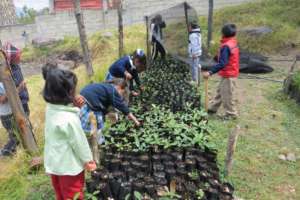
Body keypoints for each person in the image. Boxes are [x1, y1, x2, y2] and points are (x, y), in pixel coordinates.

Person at [42, 67, 96, 200]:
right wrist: (88, 161)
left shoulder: (50, 109)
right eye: (74, 90)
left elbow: (64, 114)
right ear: (68, 93)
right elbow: (79, 142)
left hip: (55, 164)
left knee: (60, 193)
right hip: (69, 167)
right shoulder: (69, 119)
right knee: (73, 195)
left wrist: (75, 107)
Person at [76, 78, 141, 144]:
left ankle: (82, 135)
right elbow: (122, 106)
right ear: (119, 87)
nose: (121, 95)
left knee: (82, 123)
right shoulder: (112, 90)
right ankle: (99, 142)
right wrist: (135, 120)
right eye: (122, 92)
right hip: (92, 102)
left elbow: (105, 106)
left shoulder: (106, 86)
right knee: (97, 127)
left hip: (84, 98)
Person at [202, 24, 240, 119]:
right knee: (220, 91)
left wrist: (210, 72)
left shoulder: (226, 46)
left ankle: (231, 114)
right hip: (229, 72)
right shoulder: (232, 42)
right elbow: (224, 57)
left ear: (223, 33)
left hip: (229, 74)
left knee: (227, 95)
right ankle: (213, 108)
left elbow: (223, 63)